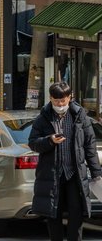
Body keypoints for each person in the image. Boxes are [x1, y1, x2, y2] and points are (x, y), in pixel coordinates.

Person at [29, 82, 102, 241]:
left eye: (63, 101)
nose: (60, 105)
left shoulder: (80, 116)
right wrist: (49, 140)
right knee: (53, 215)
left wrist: (96, 173)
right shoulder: (43, 117)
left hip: (74, 175)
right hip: (51, 175)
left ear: (70, 97)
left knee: (76, 215)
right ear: (50, 99)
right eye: (56, 101)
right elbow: (33, 142)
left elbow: (89, 145)